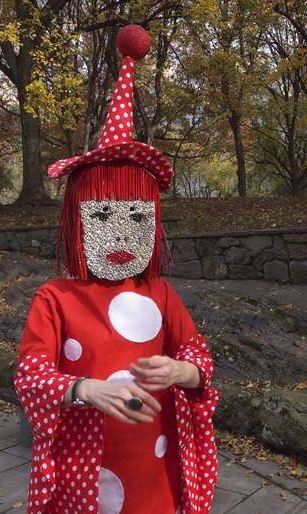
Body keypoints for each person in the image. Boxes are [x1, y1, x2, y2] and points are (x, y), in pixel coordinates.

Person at [15, 25, 218, 514]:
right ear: (77, 220)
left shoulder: (161, 294)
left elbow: (198, 354)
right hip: (85, 470)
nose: (123, 235)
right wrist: (85, 388)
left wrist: (184, 370)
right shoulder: (56, 298)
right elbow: (30, 373)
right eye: (104, 215)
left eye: (137, 217)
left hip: (156, 469)